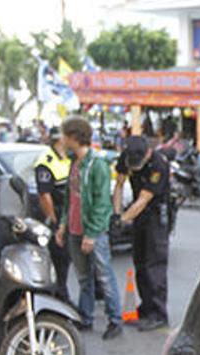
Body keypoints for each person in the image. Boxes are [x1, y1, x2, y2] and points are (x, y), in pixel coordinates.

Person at [55, 116, 124, 340]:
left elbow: (102, 203)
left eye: (64, 135)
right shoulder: (75, 164)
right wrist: (63, 225)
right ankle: (86, 317)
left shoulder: (97, 165)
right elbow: (69, 199)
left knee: (104, 276)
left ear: (74, 137)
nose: (61, 139)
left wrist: (92, 234)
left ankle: (115, 320)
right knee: (84, 277)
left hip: (92, 232)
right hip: (75, 231)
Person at [113, 136, 170, 331]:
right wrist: (116, 213)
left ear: (147, 153)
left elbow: (144, 199)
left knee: (154, 264)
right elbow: (119, 184)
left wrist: (124, 219)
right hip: (138, 214)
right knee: (140, 262)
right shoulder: (127, 155)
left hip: (155, 214)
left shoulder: (158, 164)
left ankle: (159, 313)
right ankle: (146, 308)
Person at [34, 127, 72, 300]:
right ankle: (60, 296)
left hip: (73, 215)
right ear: (60, 140)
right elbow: (45, 196)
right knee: (60, 260)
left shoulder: (70, 158)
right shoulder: (46, 162)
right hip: (59, 214)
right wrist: (55, 221)